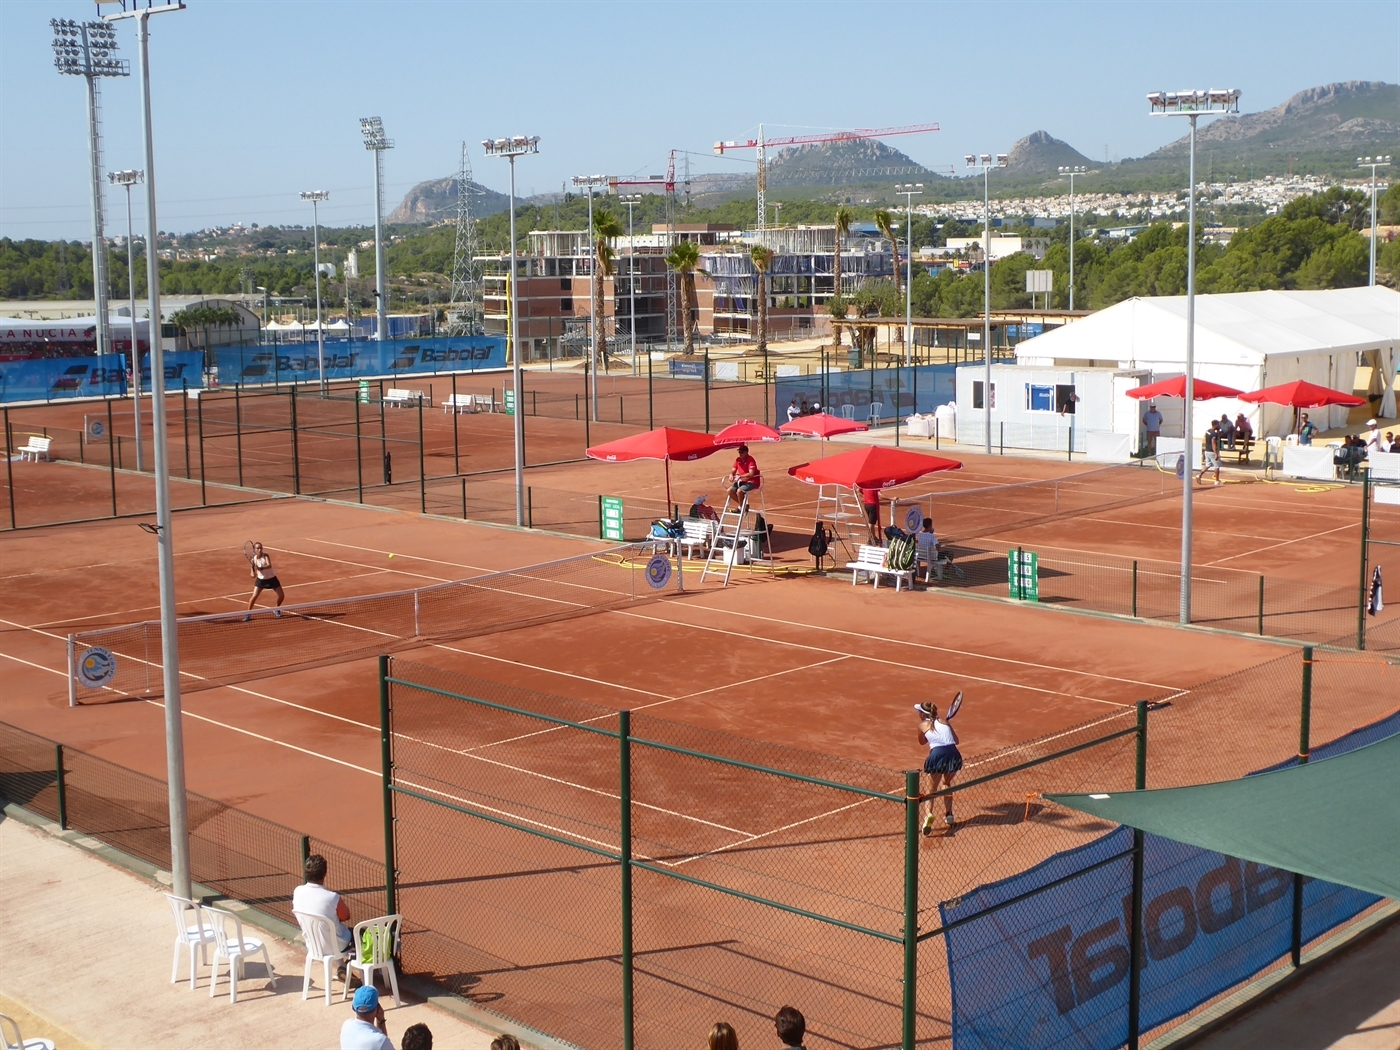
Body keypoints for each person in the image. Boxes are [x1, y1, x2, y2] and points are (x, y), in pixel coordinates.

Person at [915, 700, 962, 833]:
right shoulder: (945, 721)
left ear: (923, 714)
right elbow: (956, 741)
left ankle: (928, 815)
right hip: (954, 754)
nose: (918, 713)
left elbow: (921, 742)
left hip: (937, 755)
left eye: (919, 711)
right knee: (946, 783)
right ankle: (949, 815)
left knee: (931, 790)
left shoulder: (922, 725)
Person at [292, 853, 353, 953]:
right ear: (325, 873)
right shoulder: (332, 897)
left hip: (313, 945)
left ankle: (341, 966)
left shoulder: (297, 891)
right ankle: (356, 964)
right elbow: (346, 916)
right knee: (360, 934)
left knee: (328, 931)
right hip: (337, 947)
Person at [341, 986, 393, 1050]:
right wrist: (381, 1020)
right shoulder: (379, 1040)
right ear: (378, 1008)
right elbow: (383, 1045)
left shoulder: (346, 1025)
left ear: (353, 1008)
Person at [245, 541, 285, 619]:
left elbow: (269, 565)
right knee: (254, 596)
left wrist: (261, 568)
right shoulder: (253, 560)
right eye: (258, 548)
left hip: (272, 579)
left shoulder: (265, 556)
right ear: (254, 550)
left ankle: (276, 609)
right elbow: (252, 575)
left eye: (261, 548)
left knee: (281, 596)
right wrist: (253, 571)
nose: (260, 550)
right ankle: (248, 614)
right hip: (261, 581)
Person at [1197, 420, 1222, 486]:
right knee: (1217, 466)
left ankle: (1199, 475)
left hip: (1207, 451)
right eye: (1218, 424)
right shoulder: (1214, 434)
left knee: (1208, 465)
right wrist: (1216, 453)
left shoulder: (1208, 431)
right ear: (1215, 425)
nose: (1219, 426)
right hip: (1212, 452)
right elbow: (1213, 444)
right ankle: (1217, 481)